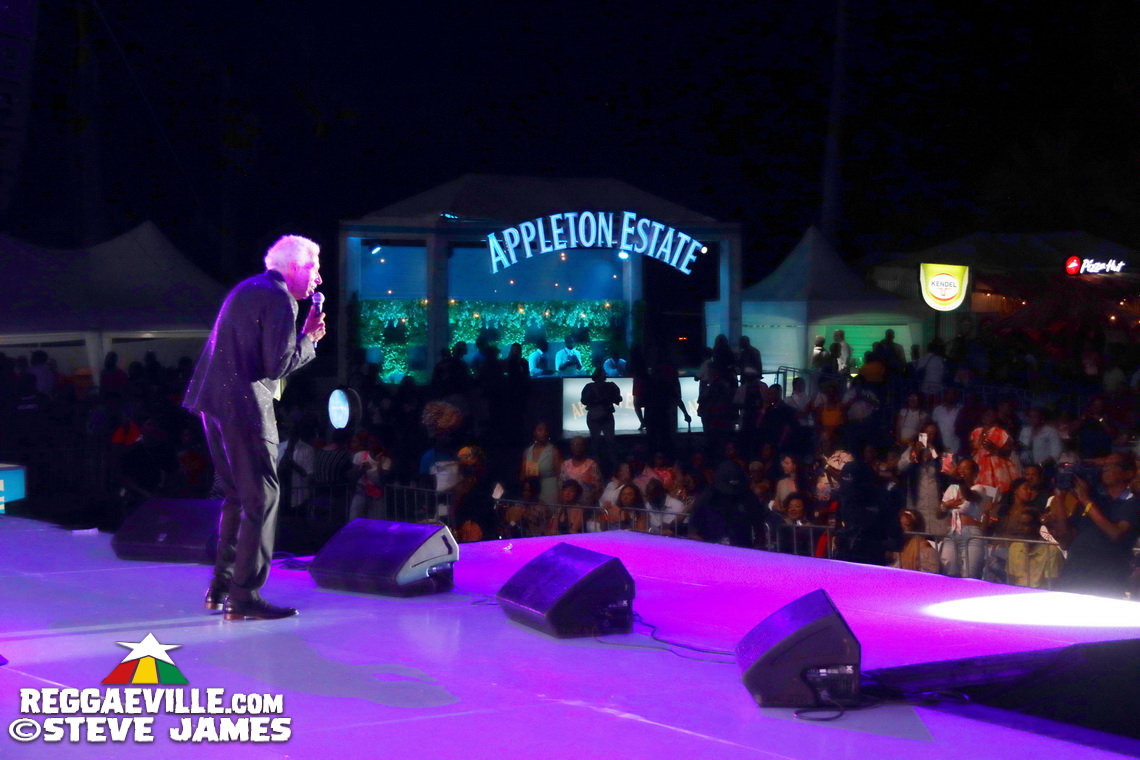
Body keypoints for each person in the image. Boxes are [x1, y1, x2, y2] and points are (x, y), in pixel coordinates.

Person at [184, 235, 325, 621]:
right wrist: (308, 339)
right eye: (313, 268)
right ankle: (244, 595)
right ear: (294, 267)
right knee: (261, 498)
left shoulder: (247, 288)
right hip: (244, 409)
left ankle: (221, 587)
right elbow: (276, 366)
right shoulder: (279, 297)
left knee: (236, 497)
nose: (318, 278)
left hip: (213, 405)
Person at [1055, 452, 1138, 597]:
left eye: (1112, 465)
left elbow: (1116, 533)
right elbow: (1064, 541)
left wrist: (1086, 500)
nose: (1105, 469)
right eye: (1104, 466)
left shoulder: (1133, 503)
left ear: (1128, 473)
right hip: (1072, 579)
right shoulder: (1095, 501)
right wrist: (1060, 500)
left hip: (1106, 584)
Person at [581, 366, 622, 463]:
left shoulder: (589, 387)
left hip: (597, 416)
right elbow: (618, 399)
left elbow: (584, 400)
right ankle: (608, 466)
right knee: (607, 443)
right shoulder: (611, 386)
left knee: (598, 443)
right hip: (603, 416)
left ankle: (598, 465)